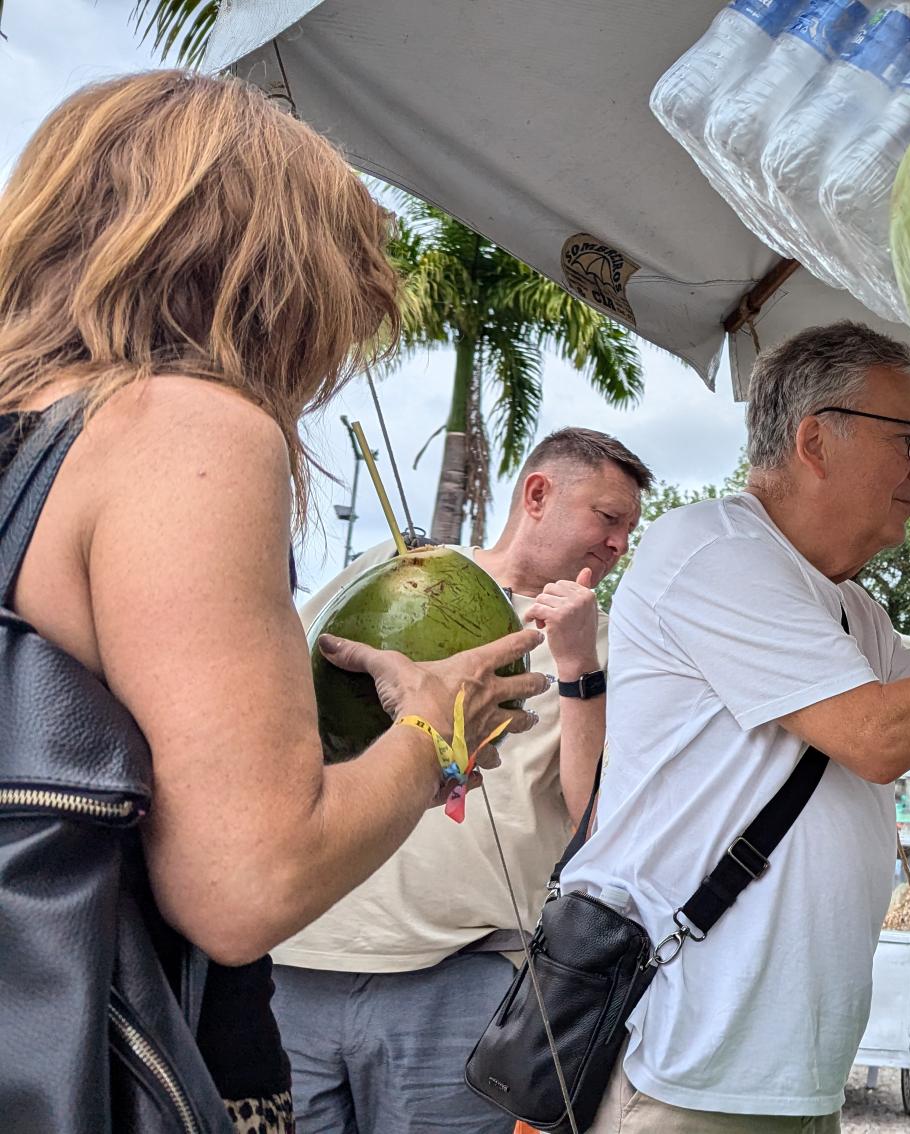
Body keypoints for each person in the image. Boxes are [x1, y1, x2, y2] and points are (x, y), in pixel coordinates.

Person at [0, 71, 546, 1130]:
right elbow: (246, 882)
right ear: (276, 266)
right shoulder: (178, 426)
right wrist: (437, 730)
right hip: (109, 1066)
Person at [564, 322, 910, 1132]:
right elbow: (877, 739)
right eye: (907, 438)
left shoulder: (853, 610)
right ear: (815, 440)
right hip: (693, 1073)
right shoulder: (712, 549)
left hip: (795, 1078)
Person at [272, 427, 649, 1134]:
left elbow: (595, 819)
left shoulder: (606, 645)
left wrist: (577, 666)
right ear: (537, 494)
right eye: (608, 517)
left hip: (463, 971)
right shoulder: (396, 570)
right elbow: (284, 681)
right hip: (301, 953)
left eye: (629, 529)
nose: (619, 543)